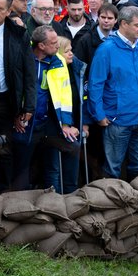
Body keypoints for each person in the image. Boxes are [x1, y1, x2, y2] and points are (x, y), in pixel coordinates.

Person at [88, 6, 138, 180]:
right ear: (123, 24)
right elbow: (95, 84)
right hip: (118, 121)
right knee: (113, 167)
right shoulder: (106, 50)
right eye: (137, 25)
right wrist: (99, 114)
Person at [12, 26, 79, 192]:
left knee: (55, 162)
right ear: (41, 46)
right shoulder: (22, 58)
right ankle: (21, 205)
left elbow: (65, 94)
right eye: (54, 42)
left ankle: (54, 201)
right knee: (22, 167)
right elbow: (15, 90)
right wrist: (16, 115)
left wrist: (65, 123)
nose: (58, 46)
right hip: (25, 124)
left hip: (49, 122)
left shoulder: (58, 61)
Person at [0, 0, 36, 192]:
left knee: (4, 150)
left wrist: (28, 105)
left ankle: (2, 194)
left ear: (9, 10)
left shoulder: (18, 34)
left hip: (4, 100)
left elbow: (29, 73)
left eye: (0, 9)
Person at [73, 3, 118, 181]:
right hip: (92, 96)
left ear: (116, 20)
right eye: (103, 17)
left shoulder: (117, 39)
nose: (106, 21)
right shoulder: (86, 40)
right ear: (97, 18)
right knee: (93, 146)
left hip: (111, 98)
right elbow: (79, 70)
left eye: (110, 18)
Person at [57, 35, 90, 188]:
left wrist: (84, 123)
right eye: (67, 51)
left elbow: (83, 98)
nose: (71, 53)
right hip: (60, 124)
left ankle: (72, 191)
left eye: (71, 50)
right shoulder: (54, 73)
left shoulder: (76, 68)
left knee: (74, 160)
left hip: (76, 121)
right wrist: (65, 124)